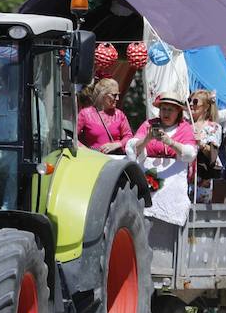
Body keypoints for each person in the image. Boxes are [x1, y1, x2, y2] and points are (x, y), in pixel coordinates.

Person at [126, 91, 197, 271]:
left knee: (164, 231)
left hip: (172, 189)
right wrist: (148, 138)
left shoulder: (184, 128)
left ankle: (165, 264)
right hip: (148, 184)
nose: (165, 113)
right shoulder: (149, 125)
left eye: (170, 110)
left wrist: (170, 142)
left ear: (178, 112)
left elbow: (190, 153)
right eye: (163, 109)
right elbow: (132, 150)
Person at [77, 77, 132, 155]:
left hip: (117, 160)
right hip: (94, 160)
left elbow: (129, 137)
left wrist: (116, 144)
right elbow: (73, 138)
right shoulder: (85, 114)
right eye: (114, 95)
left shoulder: (119, 115)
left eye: (118, 95)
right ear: (102, 95)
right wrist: (86, 151)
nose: (117, 98)